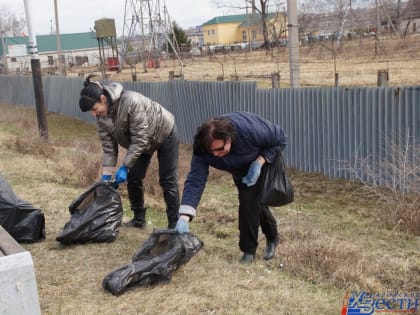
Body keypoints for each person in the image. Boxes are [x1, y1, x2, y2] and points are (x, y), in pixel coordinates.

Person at [175, 112, 287, 263]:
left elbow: (280, 138)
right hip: (240, 168)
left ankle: (249, 251)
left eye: (219, 149)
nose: (216, 155)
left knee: (249, 201)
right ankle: (271, 237)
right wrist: (184, 216)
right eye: (211, 152)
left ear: (228, 139)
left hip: (262, 161)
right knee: (254, 202)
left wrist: (260, 161)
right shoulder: (201, 148)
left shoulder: (249, 129)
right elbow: (196, 180)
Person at [79, 76, 180, 229]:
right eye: (91, 112)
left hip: (164, 132)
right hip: (141, 141)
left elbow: (141, 138)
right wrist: (106, 174)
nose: (94, 114)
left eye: (94, 109)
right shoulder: (101, 118)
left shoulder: (130, 101)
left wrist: (125, 166)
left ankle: (174, 226)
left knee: (167, 180)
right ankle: (139, 220)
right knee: (133, 177)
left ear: (103, 98)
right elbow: (109, 147)